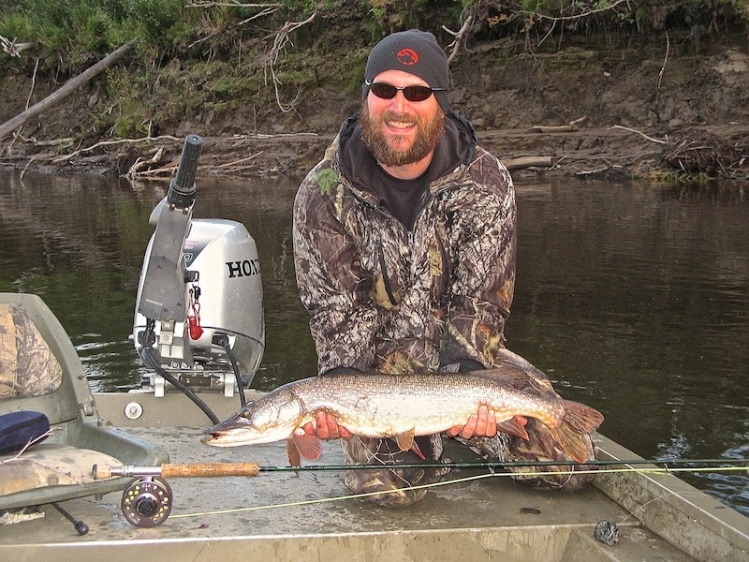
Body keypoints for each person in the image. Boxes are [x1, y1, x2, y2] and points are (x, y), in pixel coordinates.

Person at [292, 29, 596, 507]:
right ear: (366, 97)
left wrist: (471, 376)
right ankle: (428, 447)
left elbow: (482, 301)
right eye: (384, 90)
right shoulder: (322, 194)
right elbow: (335, 313)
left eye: (416, 92)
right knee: (384, 492)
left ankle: (462, 434)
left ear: (441, 103)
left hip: (462, 360)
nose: (398, 106)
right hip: (377, 373)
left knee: (565, 464)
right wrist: (339, 389)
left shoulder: (486, 182)